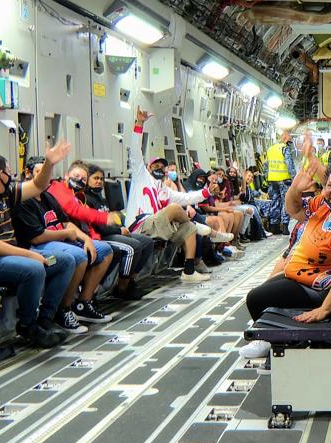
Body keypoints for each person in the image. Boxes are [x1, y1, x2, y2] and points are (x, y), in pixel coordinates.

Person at [241, 136, 331, 359]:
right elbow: (295, 210)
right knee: (268, 285)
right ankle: (267, 331)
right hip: (301, 275)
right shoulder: (327, 204)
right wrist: (294, 190)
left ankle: (270, 338)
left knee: (256, 297)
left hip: (319, 287)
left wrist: (324, 310)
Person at [15, 161, 115, 333]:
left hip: (60, 240)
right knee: (77, 256)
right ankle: (63, 310)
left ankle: (83, 304)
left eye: (47, 172)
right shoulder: (24, 201)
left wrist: (85, 239)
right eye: (39, 172)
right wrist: (66, 235)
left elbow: (66, 223)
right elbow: (37, 237)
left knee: (105, 250)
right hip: (38, 245)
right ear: (29, 174)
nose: (44, 176)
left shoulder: (48, 197)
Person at [0, 143, 74, 347]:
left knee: (64, 261)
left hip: (13, 257)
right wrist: (28, 255)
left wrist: (49, 163)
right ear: (0, 173)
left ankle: (45, 318)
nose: (12, 174)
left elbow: (38, 185)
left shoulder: (7, 193)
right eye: (9, 170)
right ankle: (27, 325)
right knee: (34, 268)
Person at [123, 107, 214, 283]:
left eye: (162, 168)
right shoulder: (141, 176)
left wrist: (207, 192)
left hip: (158, 225)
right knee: (174, 208)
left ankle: (188, 272)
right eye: (155, 167)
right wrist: (139, 123)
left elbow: (186, 198)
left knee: (189, 229)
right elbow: (135, 151)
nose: (159, 170)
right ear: (149, 168)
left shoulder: (163, 188)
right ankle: (196, 224)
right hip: (141, 224)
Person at [84, 164, 155, 300]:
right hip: (101, 236)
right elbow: (98, 226)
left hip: (111, 232)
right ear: (87, 179)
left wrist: (118, 224)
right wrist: (119, 230)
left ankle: (130, 281)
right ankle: (122, 288)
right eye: (95, 178)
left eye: (101, 179)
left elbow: (110, 219)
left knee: (147, 242)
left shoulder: (102, 200)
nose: (99, 181)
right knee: (133, 246)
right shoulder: (86, 199)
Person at [264, 131, 296, 235]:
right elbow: (289, 164)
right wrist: (294, 178)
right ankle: (285, 226)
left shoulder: (270, 149)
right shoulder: (284, 148)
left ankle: (274, 226)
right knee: (285, 201)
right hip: (284, 180)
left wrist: (267, 178)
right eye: (289, 139)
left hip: (272, 179)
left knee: (275, 201)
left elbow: (266, 166)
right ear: (285, 138)